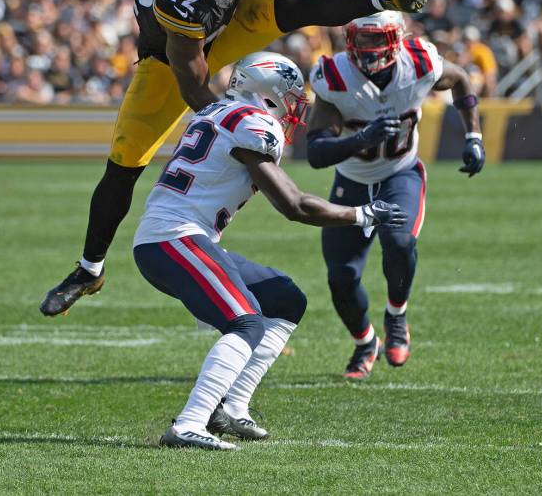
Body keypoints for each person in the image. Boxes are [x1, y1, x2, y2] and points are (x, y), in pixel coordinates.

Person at [40, 0, 427, 317]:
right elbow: (192, 83)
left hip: (228, 18)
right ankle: (88, 270)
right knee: (124, 161)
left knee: (293, 8)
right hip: (173, 62)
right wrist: (233, 125)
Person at [133, 52, 407, 449]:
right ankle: (190, 422)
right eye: (292, 98)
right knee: (246, 324)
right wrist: (361, 214)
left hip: (179, 237)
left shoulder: (216, 112)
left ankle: (232, 407)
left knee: (284, 298)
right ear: (270, 95)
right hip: (174, 238)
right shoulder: (252, 123)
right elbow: (294, 205)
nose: (294, 109)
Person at [306, 11, 485, 379]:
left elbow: (462, 79)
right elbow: (315, 153)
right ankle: (365, 342)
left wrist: (474, 137)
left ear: (396, 38)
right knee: (341, 276)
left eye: (376, 39)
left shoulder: (418, 63)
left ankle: (397, 316)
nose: (367, 49)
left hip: (400, 173)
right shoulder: (335, 75)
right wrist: (359, 139)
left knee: (400, 241)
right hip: (351, 181)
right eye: (361, 38)